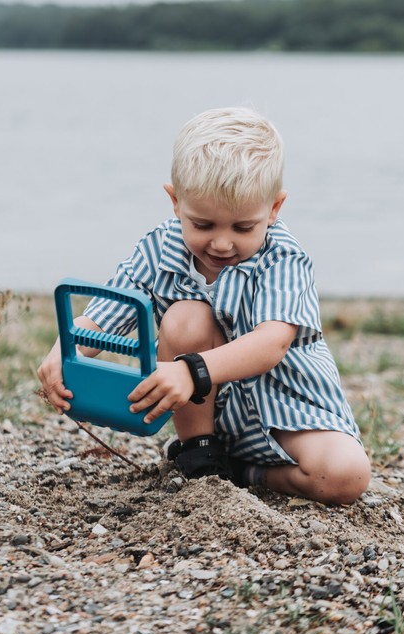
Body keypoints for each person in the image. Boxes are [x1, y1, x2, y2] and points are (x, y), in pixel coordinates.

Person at [37, 107, 371, 506]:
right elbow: (106, 316)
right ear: (176, 202)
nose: (222, 244)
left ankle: (247, 472)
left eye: (243, 227)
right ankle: (199, 454)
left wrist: (190, 371)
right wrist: (64, 352)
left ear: (274, 209)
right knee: (186, 316)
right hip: (208, 414)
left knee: (346, 477)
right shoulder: (160, 247)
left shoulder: (284, 259)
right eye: (203, 225)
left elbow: (271, 344)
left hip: (288, 405)